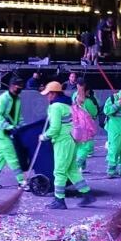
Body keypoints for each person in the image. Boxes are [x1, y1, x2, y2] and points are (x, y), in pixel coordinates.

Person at [40, 81, 94, 209]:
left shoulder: (55, 107)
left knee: (59, 171)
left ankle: (59, 200)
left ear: (53, 94)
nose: (47, 96)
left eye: (48, 94)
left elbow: (55, 128)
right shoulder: (67, 105)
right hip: (71, 140)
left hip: (62, 141)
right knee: (72, 169)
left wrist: (44, 136)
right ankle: (87, 194)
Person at [0, 77, 26, 188]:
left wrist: (23, 127)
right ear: (12, 86)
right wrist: (8, 127)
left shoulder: (17, 99)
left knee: (0, 157)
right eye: (18, 87)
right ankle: (22, 181)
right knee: (13, 157)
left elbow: (18, 116)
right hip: (3, 132)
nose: (20, 89)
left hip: (8, 131)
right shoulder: (3, 99)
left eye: (21, 87)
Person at [73, 79, 99, 171]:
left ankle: (81, 167)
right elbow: (94, 112)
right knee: (85, 147)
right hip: (87, 127)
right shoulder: (88, 101)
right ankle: (76, 166)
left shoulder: (74, 97)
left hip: (76, 126)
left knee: (79, 146)